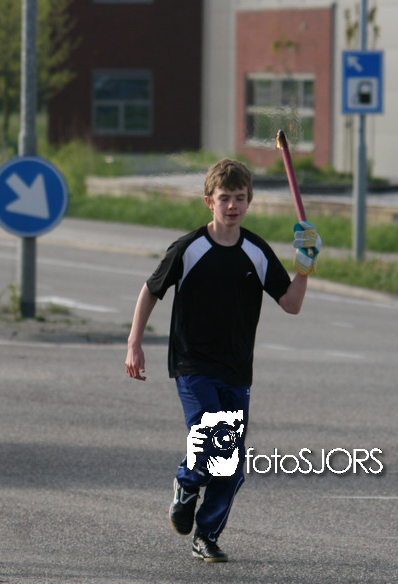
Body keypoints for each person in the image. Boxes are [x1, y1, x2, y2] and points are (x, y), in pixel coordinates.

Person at [124, 158, 320, 563]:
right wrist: (134, 343)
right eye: (225, 198)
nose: (233, 205)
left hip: (236, 369)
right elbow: (151, 290)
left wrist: (304, 267)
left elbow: (291, 304)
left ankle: (207, 535)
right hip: (192, 364)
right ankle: (186, 482)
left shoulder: (256, 251)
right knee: (216, 438)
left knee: (230, 464)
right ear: (208, 201)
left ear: (249, 201)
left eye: (240, 198)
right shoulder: (189, 248)